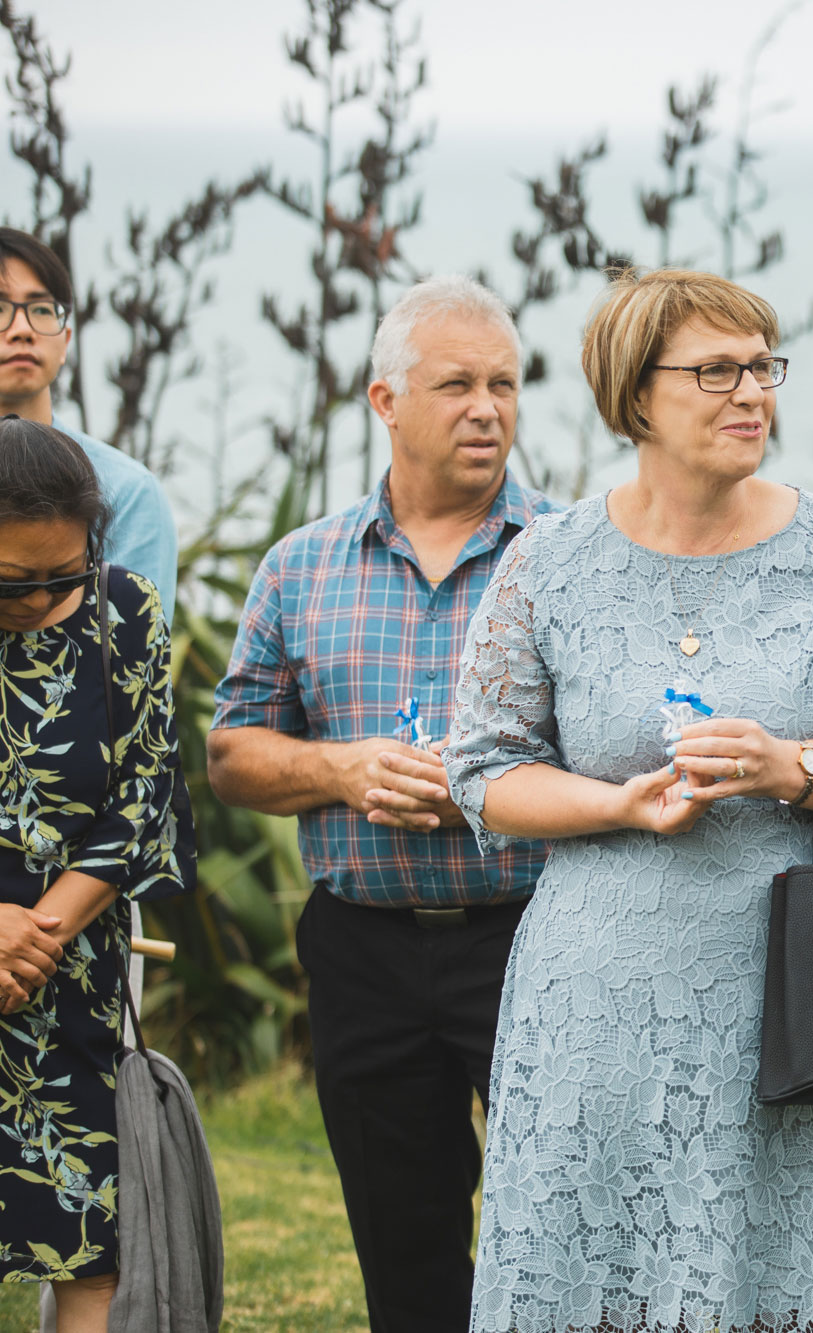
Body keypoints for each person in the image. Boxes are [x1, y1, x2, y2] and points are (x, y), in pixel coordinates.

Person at [442, 266, 813, 1333]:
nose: (751, 395)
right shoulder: (547, 564)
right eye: (716, 371)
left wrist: (792, 769)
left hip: (810, 990)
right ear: (635, 394)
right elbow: (485, 771)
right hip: (599, 999)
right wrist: (620, 805)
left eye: (762, 369)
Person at [207, 275, 554, 1332]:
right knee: (403, 1247)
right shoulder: (301, 566)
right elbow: (231, 753)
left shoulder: (572, 554)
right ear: (385, 401)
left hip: (537, 938)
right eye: (456, 384)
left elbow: (629, 745)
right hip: (363, 949)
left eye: (503, 383)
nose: (487, 408)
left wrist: (493, 794)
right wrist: (344, 771)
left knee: (563, 1226)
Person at [0, 416, 192, 1331]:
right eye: (13, 582)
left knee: (87, 1241)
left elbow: (144, 794)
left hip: (68, 974)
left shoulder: (127, 614)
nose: (42, 600)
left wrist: (36, 931)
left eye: (62, 576)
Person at [0, 229, 177, 620]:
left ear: (65, 341)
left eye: (42, 309)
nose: (22, 329)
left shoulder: (127, 491)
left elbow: (133, 656)